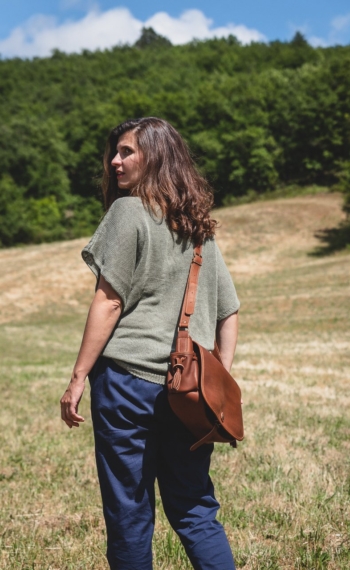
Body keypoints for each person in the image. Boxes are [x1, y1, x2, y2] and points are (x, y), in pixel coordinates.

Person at [60, 117, 240, 570]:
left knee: (129, 512)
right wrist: (215, 378)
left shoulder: (127, 211)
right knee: (196, 508)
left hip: (126, 386)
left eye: (127, 152)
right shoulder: (198, 227)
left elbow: (108, 302)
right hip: (189, 392)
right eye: (114, 153)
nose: (115, 162)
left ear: (156, 157)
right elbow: (229, 312)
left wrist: (78, 376)